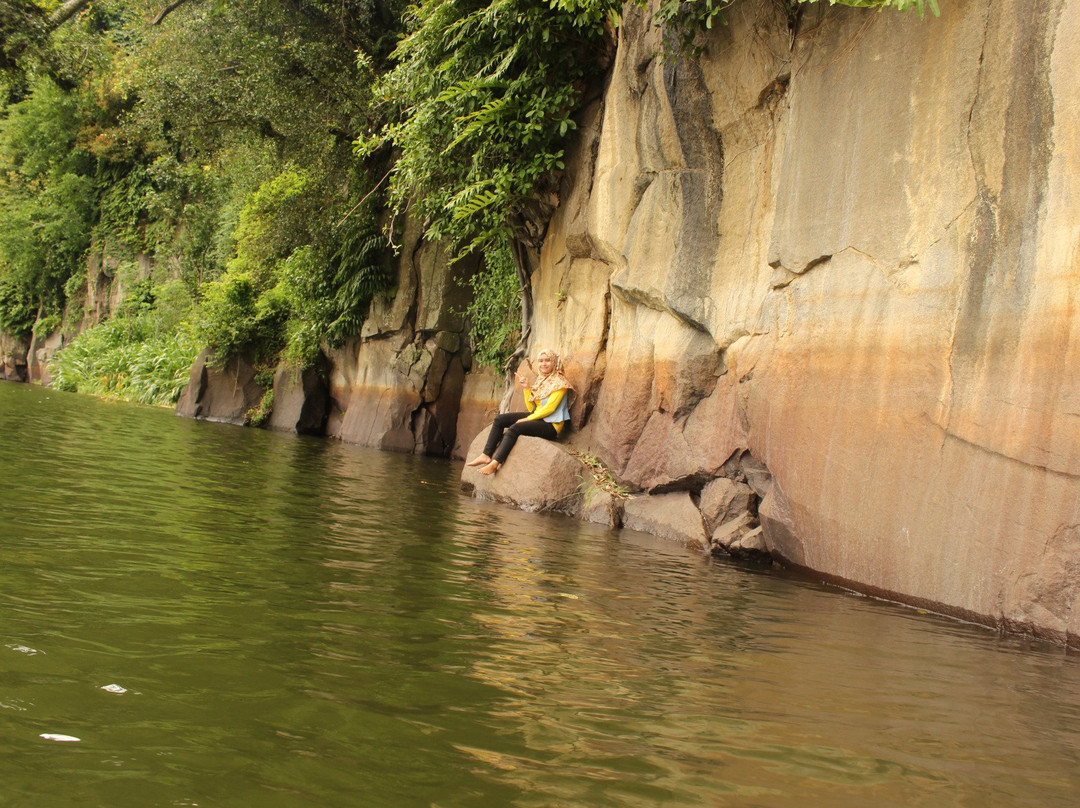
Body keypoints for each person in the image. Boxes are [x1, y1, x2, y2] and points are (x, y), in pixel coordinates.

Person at [466, 348, 574, 475]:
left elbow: (550, 408)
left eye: (547, 360)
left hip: (551, 425)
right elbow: (531, 408)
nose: (543, 364)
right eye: (540, 361)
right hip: (538, 417)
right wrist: (527, 388)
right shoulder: (542, 381)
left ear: (554, 362)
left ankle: (495, 463)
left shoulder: (560, 383)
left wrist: (527, 419)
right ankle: (486, 454)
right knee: (500, 419)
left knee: (515, 428)